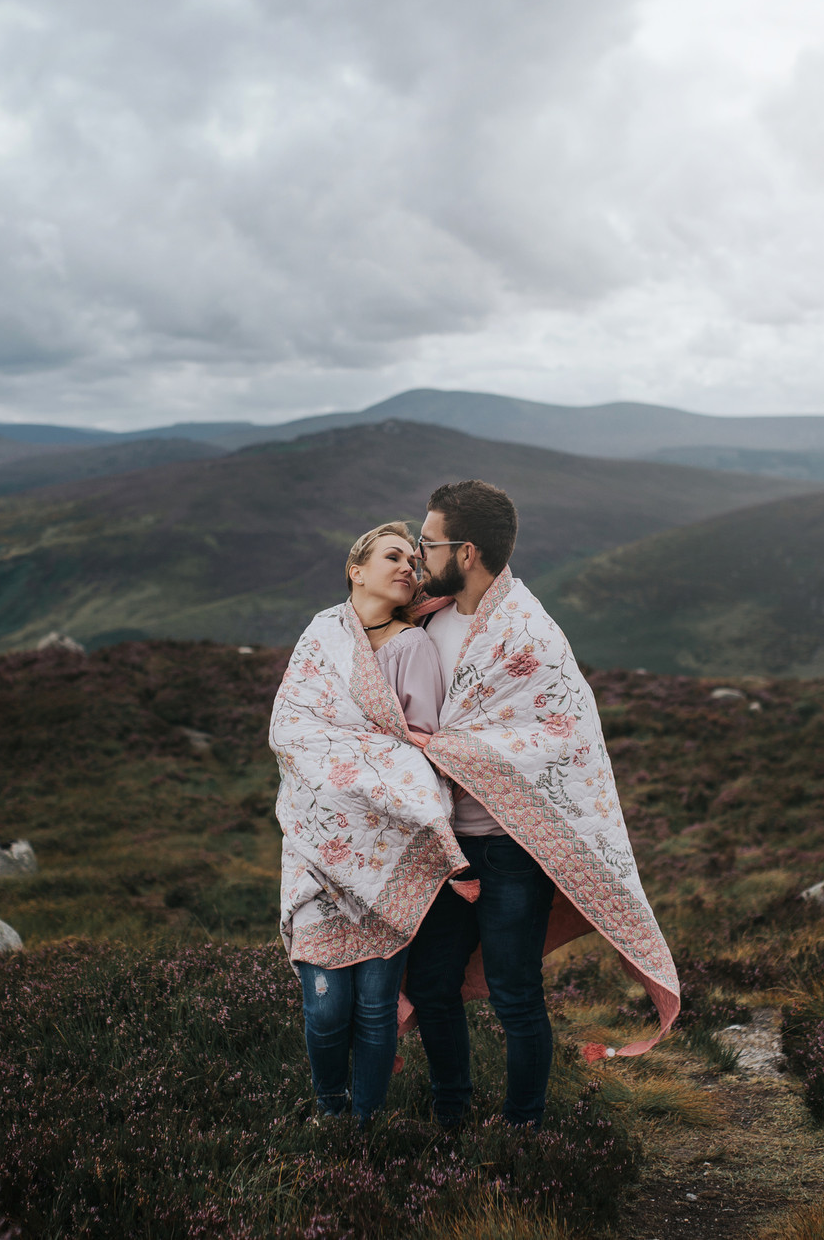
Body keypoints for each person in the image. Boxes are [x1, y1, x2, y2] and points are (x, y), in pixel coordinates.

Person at [403, 480, 680, 1128]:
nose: (418, 553)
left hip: (508, 850)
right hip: (446, 846)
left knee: (515, 991)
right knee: (431, 981)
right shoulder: (428, 617)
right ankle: (451, 1112)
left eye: (428, 541)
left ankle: (523, 1125)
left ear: (466, 551)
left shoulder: (528, 633)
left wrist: (434, 747)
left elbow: (552, 740)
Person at [268, 522, 464, 1125]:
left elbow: (420, 749)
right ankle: (330, 1112)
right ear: (355, 569)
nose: (408, 566)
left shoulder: (413, 648)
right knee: (326, 1008)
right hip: (318, 841)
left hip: (386, 845)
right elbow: (291, 729)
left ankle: (365, 1123)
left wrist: (364, 760)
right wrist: (351, 761)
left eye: (413, 558)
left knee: (376, 1006)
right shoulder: (323, 633)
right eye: (392, 556)